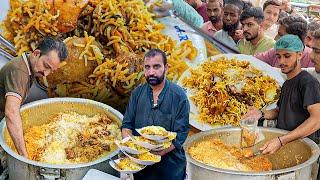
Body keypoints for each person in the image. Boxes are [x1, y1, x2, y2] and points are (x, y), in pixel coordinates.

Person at [242, 35, 320, 155]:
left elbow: (317, 119)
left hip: (302, 149)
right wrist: (261, 114)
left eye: (287, 56)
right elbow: (280, 111)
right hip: (285, 147)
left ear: (299, 55)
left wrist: (281, 140)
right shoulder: (287, 84)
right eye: (278, 56)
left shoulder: (307, 82)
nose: (281, 62)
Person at [121, 49, 190, 180]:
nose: (151, 72)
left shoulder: (179, 96)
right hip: (141, 168)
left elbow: (181, 134)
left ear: (166, 67)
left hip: (170, 170)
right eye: (147, 67)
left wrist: (156, 153)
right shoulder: (137, 93)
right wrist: (131, 147)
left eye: (156, 66)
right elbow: (126, 126)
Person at [0, 37, 68, 157]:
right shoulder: (19, 72)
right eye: (46, 66)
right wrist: (24, 156)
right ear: (36, 53)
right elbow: (11, 113)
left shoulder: (27, 64)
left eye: (51, 70)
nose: (45, 74)